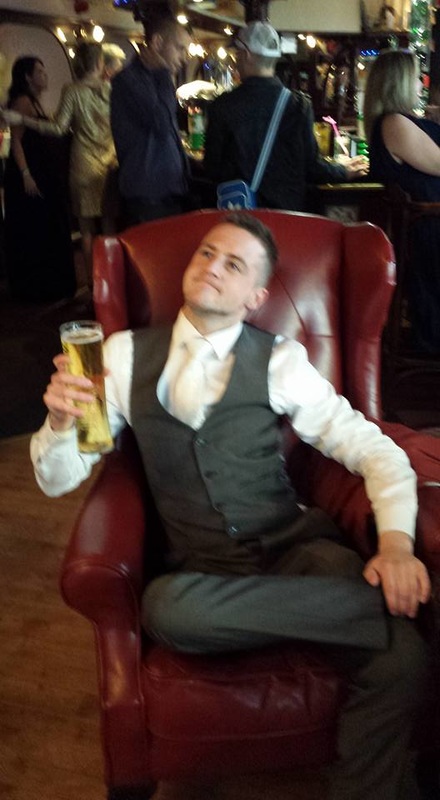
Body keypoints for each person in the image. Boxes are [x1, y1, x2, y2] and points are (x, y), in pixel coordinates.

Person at [31, 211, 430, 799]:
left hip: (297, 552)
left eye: (234, 264)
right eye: (206, 253)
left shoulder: (281, 361)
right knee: (167, 610)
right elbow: (57, 480)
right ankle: (384, 612)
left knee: (403, 662)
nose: (213, 266)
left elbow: (374, 449)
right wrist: (61, 424)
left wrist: (395, 543)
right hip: (202, 571)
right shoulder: (121, 355)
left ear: (256, 297)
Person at [203, 22, 368, 212]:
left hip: (240, 217)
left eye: (237, 53)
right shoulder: (298, 105)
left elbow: (212, 168)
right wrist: (343, 171)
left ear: (246, 54)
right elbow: (312, 168)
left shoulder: (222, 106)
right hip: (286, 216)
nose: (236, 59)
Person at [2, 43, 118, 288]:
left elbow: (58, 129)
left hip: (83, 165)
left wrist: (22, 120)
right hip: (109, 163)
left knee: (87, 231)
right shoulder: (111, 90)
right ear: (100, 63)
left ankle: (93, 286)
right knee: (109, 227)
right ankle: (113, 282)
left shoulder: (73, 90)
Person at [364, 48, 440, 353]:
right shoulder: (394, 123)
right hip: (427, 233)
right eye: (417, 77)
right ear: (400, 82)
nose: (422, 84)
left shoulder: (395, 122)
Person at [3, 56, 76, 303]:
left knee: (44, 227)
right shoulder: (23, 102)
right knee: (35, 228)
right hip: (30, 173)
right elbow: (16, 142)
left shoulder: (33, 101)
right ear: (27, 77)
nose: (45, 75)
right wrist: (26, 174)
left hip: (41, 170)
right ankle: (39, 288)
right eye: (40, 71)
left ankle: (49, 286)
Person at [110, 6, 191, 225]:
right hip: (147, 198)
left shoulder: (155, 79)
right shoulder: (128, 80)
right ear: (157, 43)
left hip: (165, 193)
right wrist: (163, 74)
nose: (184, 58)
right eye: (180, 49)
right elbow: (162, 125)